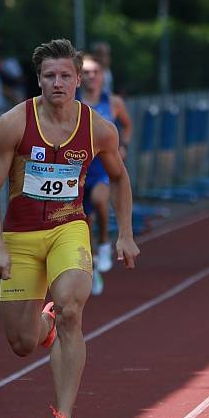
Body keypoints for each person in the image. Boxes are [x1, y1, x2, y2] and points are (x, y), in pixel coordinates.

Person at [0, 38, 140, 418]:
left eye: (66, 76)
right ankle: (43, 326)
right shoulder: (14, 124)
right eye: (49, 76)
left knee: (72, 309)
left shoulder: (98, 128)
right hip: (21, 236)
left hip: (69, 227)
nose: (58, 83)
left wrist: (125, 234)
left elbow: (120, 177)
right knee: (21, 343)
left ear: (77, 80)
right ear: (38, 80)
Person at [77, 53, 134, 294]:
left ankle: (103, 243)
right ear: (80, 77)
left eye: (95, 72)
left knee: (101, 200)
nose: (91, 76)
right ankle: (93, 269)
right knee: (83, 222)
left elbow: (127, 125)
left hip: (101, 166)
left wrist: (124, 145)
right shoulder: (73, 99)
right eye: (86, 72)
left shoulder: (113, 102)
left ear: (102, 76)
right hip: (78, 168)